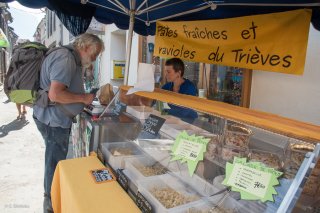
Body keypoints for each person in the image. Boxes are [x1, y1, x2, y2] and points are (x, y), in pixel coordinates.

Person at [32, 33, 104, 213]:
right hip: (54, 120)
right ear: (87, 47)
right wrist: (84, 98)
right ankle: (51, 204)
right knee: (54, 162)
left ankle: (52, 198)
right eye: (95, 54)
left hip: (51, 117)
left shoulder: (67, 57)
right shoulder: (66, 59)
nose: (94, 59)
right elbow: (55, 94)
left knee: (53, 159)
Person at [162, 58, 198, 123]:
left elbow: (184, 112)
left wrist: (166, 110)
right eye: (165, 71)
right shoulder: (166, 87)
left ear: (178, 73)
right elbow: (159, 106)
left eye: (168, 72)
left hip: (189, 124)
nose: (166, 74)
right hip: (171, 121)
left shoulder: (190, 87)